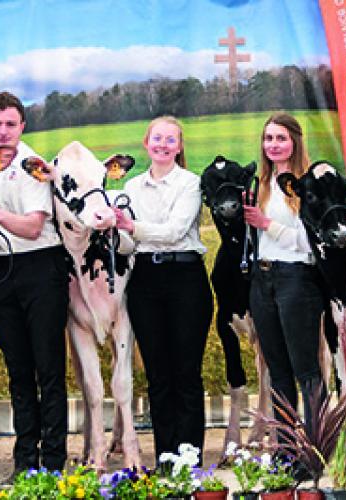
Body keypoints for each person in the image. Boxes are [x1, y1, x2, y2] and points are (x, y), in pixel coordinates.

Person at [0, 91, 70, 478]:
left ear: (22, 126)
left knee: (48, 368)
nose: (3, 132)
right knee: (18, 371)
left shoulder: (32, 165)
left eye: (10, 124)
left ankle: (54, 462)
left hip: (40, 267)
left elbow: (32, 227)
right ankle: (24, 461)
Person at [114, 116, 213, 462]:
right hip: (144, 281)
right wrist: (114, 230)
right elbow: (127, 243)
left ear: (179, 147)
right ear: (146, 143)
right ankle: (166, 457)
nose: (163, 145)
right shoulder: (130, 189)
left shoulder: (190, 183)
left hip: (185, 279)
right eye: (157, 139)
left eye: (171, 140)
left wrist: (131, 226)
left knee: (186, 371)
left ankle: (190, 457)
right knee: (157, 374)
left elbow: (174, 231)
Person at [242, 112, 324, 430]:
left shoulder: (309, 184)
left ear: (295, 141)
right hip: (263, 280)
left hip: (297, 279)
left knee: (305, 367)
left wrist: (267, 225)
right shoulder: (260, 184)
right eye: (268, 138)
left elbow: (311, 243)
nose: (273, 145)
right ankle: (288, 448)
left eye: (280, 138)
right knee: (276, 369)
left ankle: (317, 443)